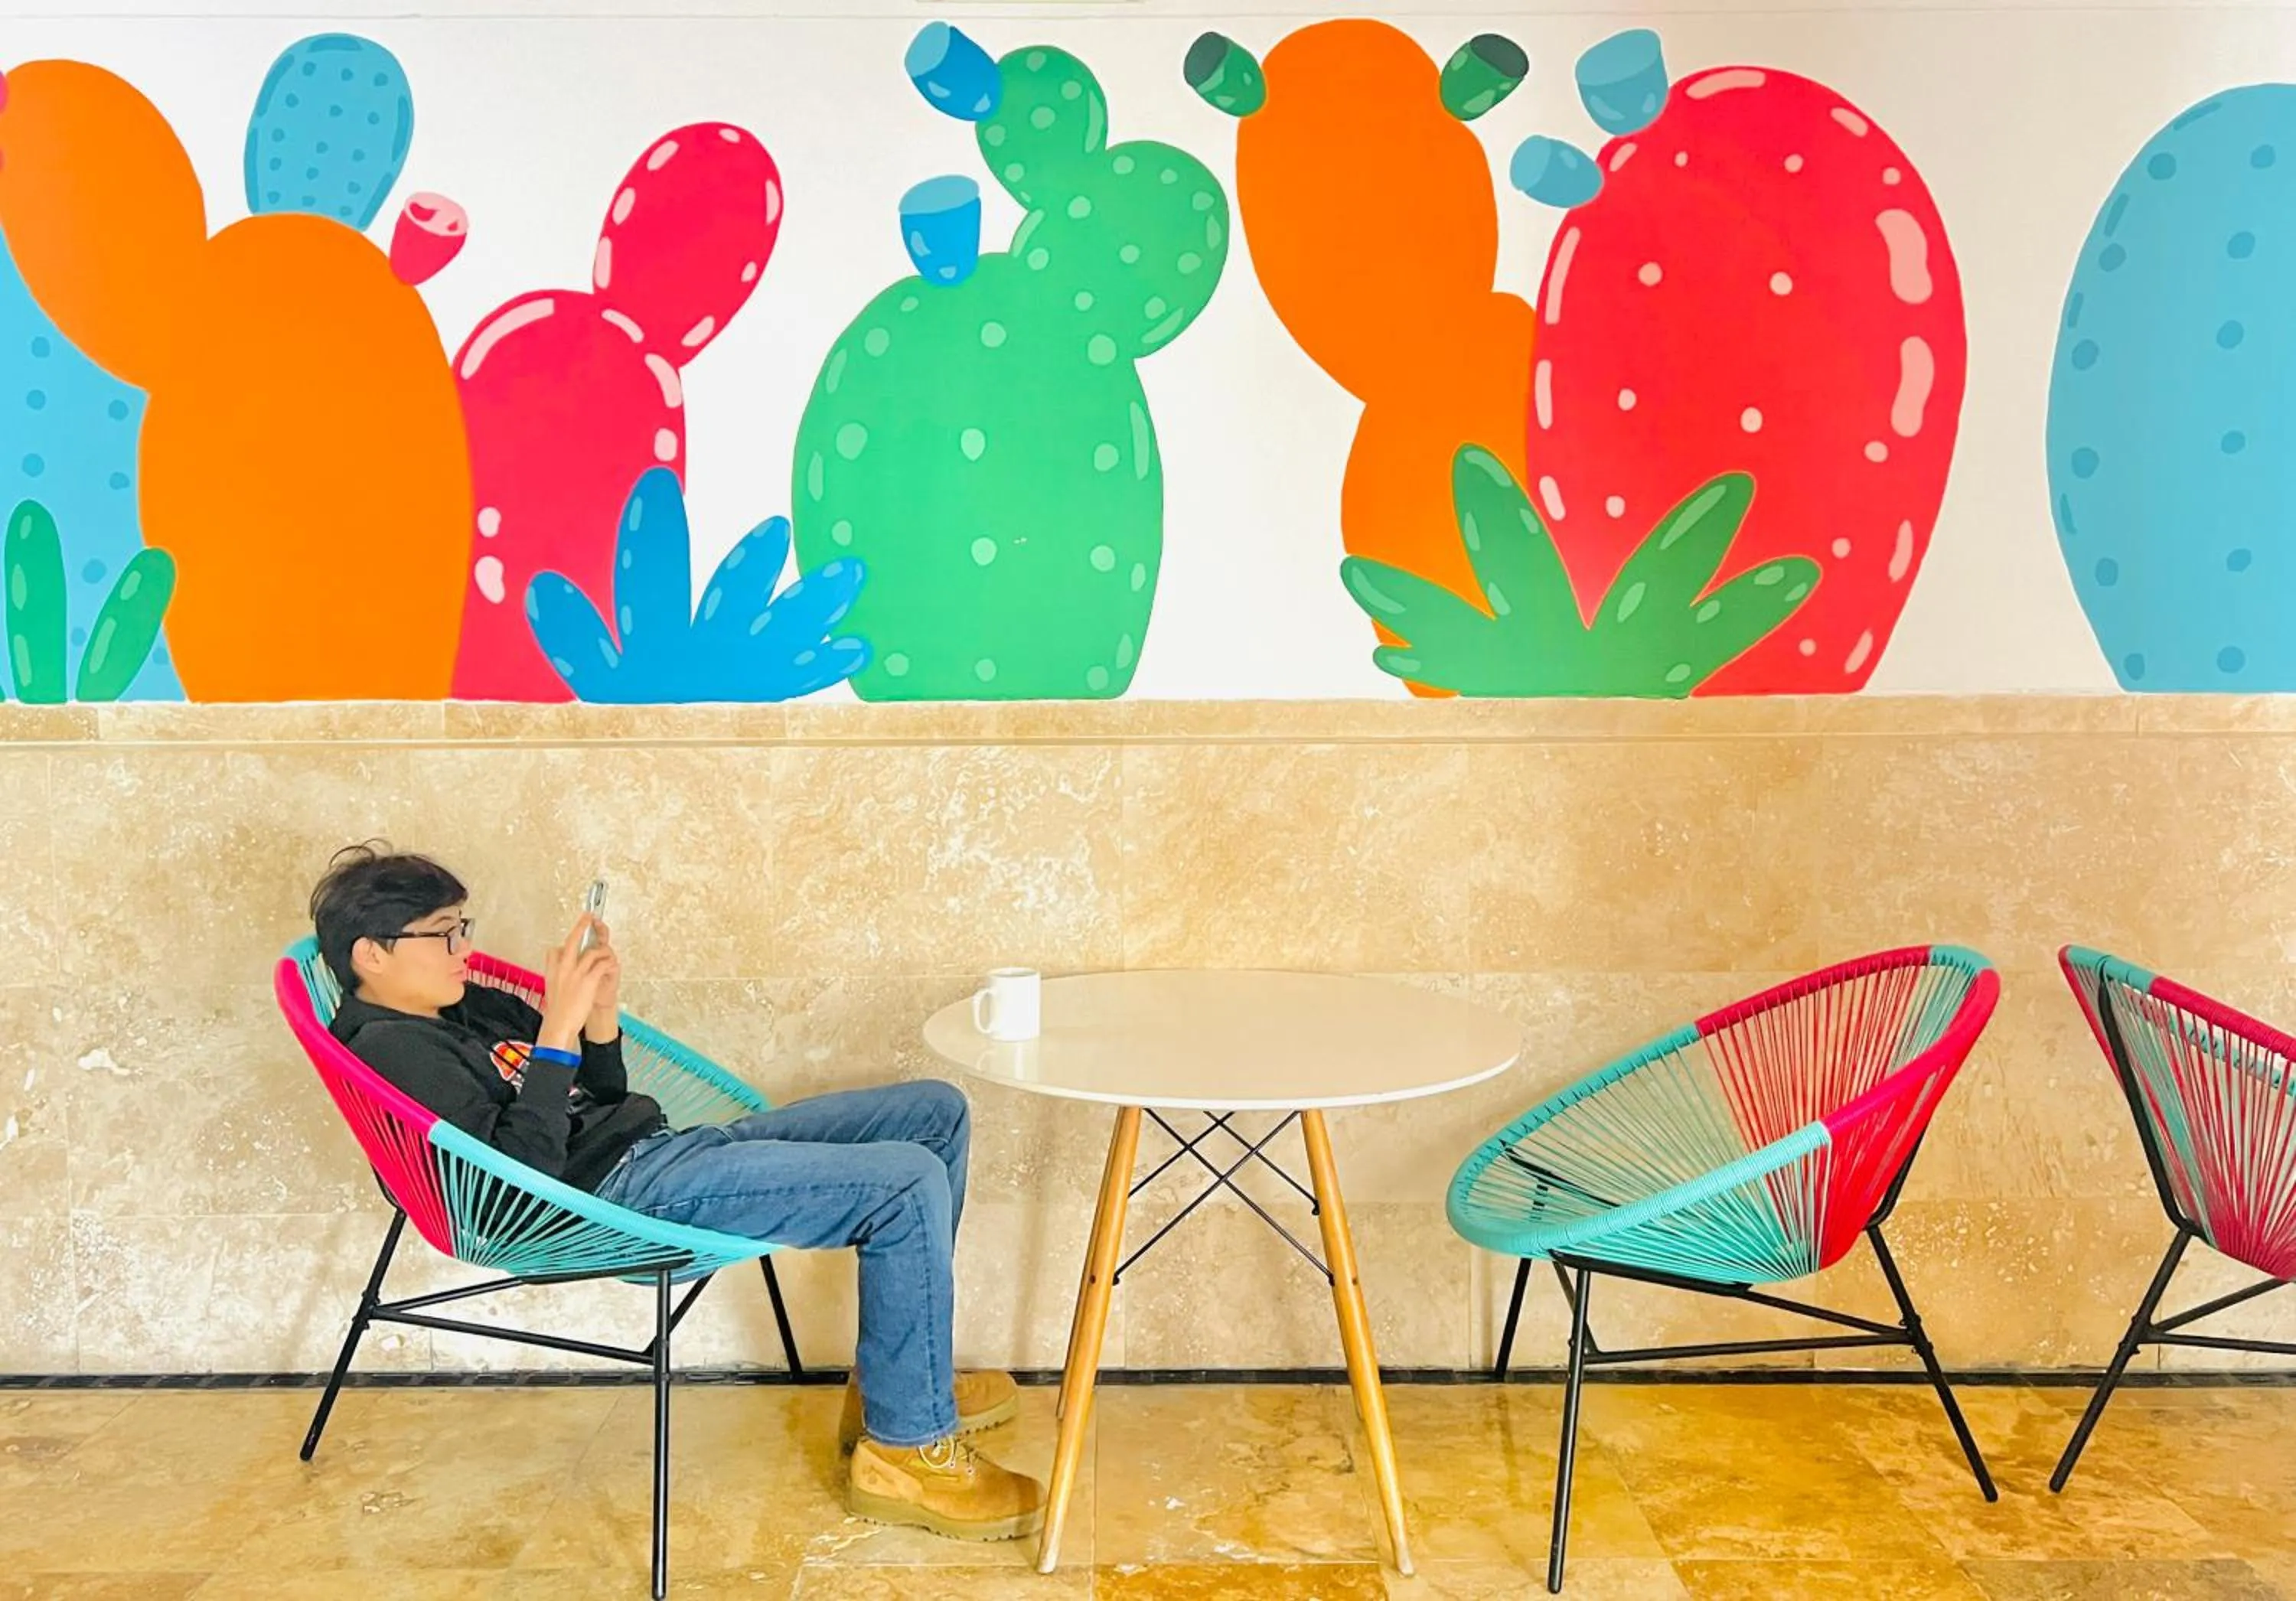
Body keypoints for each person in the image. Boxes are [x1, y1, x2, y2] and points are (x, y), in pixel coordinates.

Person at [306, 842, 1046, 1541]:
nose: (465, 949)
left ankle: (899, 1381)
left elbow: (596, 1097)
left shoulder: (468, 1008)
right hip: (605, 1205)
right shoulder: (393, 1049)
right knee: (905, 1181)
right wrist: (558, 1023)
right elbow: (520, 1176)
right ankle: (908, 1449)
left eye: (461, 928)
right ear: (372, 954)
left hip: (660, 1154)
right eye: (444, 935)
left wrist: (596, 1021)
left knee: (933, 1110)